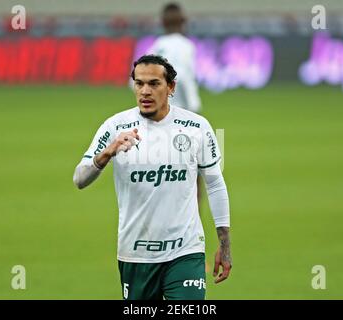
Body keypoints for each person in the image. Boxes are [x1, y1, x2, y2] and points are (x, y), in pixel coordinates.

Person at [73, 55, 231, 300]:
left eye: (154, 84)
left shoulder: (197, 127)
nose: (145, 91)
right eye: (139, 83)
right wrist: (107, 153)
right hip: (135, 254)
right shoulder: (115, 127)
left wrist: (225, 245)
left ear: (171, 87)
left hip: (185, 251)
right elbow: (79, 179)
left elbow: (215, 184)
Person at [149, 2, 201, 113]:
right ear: (183, 21)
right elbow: (186, 78)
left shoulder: (157, 46)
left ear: (162, 22)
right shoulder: (187, 46)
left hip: (160, 108)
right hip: (183, 109)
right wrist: (194, 104)